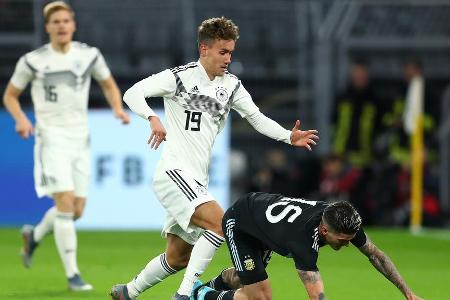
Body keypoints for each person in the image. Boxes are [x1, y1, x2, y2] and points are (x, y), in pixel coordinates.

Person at [110, 16, 319, 300]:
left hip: (196, 179)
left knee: (177, 257)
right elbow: (133, 93)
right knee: (221, 224)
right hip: (174, 172)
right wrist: (152, 117)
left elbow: (256, 117)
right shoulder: (179, 77)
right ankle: (184, 295)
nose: (228, 58)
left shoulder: (231, 86)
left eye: (231, 52)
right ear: (204, 49)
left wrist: (288, 136)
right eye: (223, 52)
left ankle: (127, 292)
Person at [2, 1, 129, 291]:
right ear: (47, 27)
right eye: (55, 21)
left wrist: (118, 109)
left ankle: (34, 236)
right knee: (65, 204)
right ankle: (73, 276)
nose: (61, 26)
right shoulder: (33, 60)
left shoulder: (89, 55)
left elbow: (108, 84)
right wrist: (21, 119)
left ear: (73, 25)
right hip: (51, 137)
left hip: (80, 137)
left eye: (65, 21)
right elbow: (10, 95)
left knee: (76, 210)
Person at [192, 192, 423, 300]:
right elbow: (318, 296)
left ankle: (207, 286)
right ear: (324, 231)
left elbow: (376, 256)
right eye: (342, 241)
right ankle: (202, 295)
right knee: (259, 297)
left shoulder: (342, 220)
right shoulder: (303, 241)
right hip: (242, 221)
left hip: (266, 225)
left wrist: (408, 293)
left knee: (245, 277)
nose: (348, 244)